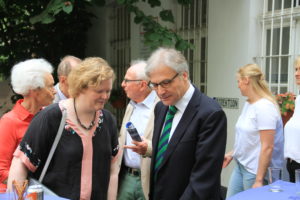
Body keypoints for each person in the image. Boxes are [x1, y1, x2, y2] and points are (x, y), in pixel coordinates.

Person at [7, 57, 119, 200]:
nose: (105, 96)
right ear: (81, 87)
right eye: (99, 91)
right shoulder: (50, 117)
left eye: (108, 91)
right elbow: (21, 164)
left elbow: (113, 171)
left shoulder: (108, 121)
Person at [145, 47, 227, 200]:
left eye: (166, 83)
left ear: (184, 75)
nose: (160, 91)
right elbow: (162, 164)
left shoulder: (210, 114)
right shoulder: (161, 108)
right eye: (155, 85)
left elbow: (203, 179)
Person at [223, 64, 284, 198]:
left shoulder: (265, 107)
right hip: (241, 166)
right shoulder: (249, 103)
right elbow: (249, 139)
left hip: (255, 171)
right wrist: (232, 153)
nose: (238, 85)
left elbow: (267, 147)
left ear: (246, 80)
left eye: (238, 81)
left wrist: (259, 180)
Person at [0, 58, 56, 190]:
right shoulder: (9, 122)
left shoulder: (50, 118)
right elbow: (1, 170)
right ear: (34, 90)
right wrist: (30, 186)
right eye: (50, 86)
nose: (54, 91)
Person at [108, 60, 159, 200]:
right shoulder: (131, 104)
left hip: (148, 178)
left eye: (127, 80)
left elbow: (169, 145)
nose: (122, 84)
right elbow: (122, 137)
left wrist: (148, 148)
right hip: (126, 177)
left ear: (142, 84)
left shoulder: (161, 107)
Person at [284, 56, 300, 182]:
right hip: (293, 163)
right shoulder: (298, 98)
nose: (296, 73)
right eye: (296, 69)